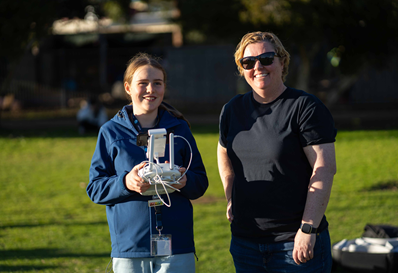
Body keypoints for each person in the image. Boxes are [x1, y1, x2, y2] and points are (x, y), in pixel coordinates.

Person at [217, 31, 337, 273]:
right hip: (245, 243)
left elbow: (324, 169)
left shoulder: (305, 107)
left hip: (294, 244)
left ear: (282, 62)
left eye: (267, 59)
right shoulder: (232, 110)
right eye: (248, 62)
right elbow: (223, 153)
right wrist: (230, 196)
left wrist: (308, 229)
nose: (258, 67)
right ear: (242, 69)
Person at [87, 53, 208, 273]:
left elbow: (200, 182)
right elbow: (95, 188)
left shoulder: (180, 129)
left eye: (157, 83)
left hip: (177, 247)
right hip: (131, 248)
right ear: (128, 88)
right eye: (143, 83)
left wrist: (184, 181)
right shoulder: (110, 132)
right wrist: (126, 183)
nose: (151, 89)